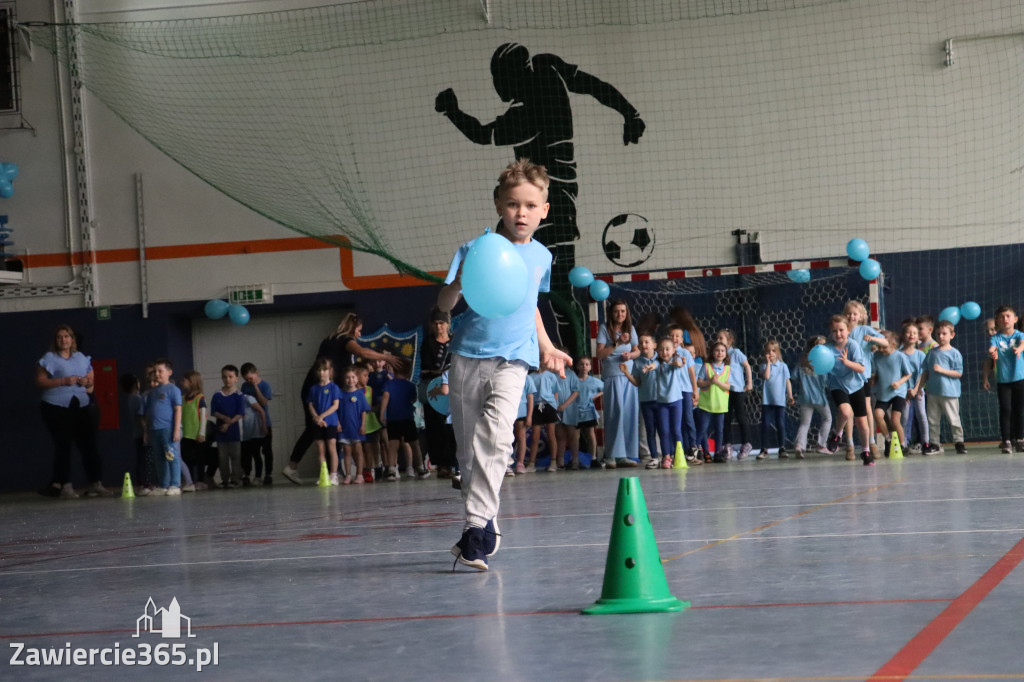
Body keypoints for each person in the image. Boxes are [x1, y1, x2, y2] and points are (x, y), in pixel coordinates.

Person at [436, 43, 645, 358]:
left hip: (556, 199)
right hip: (562, 194)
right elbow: (593, 86)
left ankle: (574, 360)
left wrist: (451, 110)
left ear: (511, 74)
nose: (497, 86)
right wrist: (629, 112)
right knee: (530, 270)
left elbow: (480, 133)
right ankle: (565, 354)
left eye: (498, 77)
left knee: (556, 287)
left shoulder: (526, 112)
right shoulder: (549, 66)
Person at [437, 159, 572, 571]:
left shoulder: (542, 257)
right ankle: (484, 518)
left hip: (515, 359)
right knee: (467, 455)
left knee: (497, 439)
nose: (522, 213)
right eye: (513, 204)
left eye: (531, 205)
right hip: (466, 358)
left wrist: (547, 346)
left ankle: (476, 528)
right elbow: (443, 307)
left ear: (544, 210)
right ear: (499, 204)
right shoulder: (475, 250)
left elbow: (528, 304)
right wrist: (456, 286)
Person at [282, 313, 405, 483]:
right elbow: (362, 352)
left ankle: (333, 471)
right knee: (316, 428)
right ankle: (295, 466)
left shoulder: (329, 339)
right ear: (352, 328)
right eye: (359, 330)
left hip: (318, 388)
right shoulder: (344, 340)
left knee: (327, 427)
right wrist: (386, 357)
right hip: (319, 390)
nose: (359, 335)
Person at [36, 325, 111, 499]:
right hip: (56, 406)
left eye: (67, 336)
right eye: (60, 337)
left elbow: (91, 384)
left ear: (72, 339)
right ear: (56, 340)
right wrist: (63, 381)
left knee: (89, 445)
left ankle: (95, 483)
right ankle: (65, 485)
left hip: (81, 405)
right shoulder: (49, 358)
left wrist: (86, 382)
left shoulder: (81, 358)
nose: (64, 340)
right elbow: (40, 381)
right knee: (63, 445)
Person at [822, 315, 875, 465]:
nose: (838, 334)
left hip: (856, 385)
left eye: (841, 330)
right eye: (834, 331)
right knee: (845, 412)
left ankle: (865, 451)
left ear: (848, 330)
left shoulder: (852, 345)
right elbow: (820, 364)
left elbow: (861, 368)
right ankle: (837, 434)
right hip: (837, 385)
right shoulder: (827, 348)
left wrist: (847, 362)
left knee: (862, 423)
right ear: (830, 332)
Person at [596, 300, 640, 468]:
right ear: (611, 313)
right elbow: (600, 354)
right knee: (616, 414)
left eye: (623, 311)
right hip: (613, 377)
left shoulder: (631, 329)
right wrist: (618, 343)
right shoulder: (604, 329)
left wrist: (631, 356)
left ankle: (625, 455)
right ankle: (611, 456)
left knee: (629, 414)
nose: (620, 314)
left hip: (628, 377)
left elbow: (637, 351)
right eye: (616, 311)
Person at [845, 300, 887, 458]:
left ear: (861, 316)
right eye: (848, 313)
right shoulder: (842, 331)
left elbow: (885, 341)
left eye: (855, 314)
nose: (851, 316)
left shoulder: (865, 330)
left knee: (867, 408)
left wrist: (874, 339)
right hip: (846, 377)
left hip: (863, 376)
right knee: (848, 410)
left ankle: (871, 442)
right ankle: (849, 444)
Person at [636, 337, 687, 468]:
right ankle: (666, 457)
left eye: (667, 349)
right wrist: (650, 367)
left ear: (673, 350)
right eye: (662, 349)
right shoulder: (658, 363)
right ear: (657, 351)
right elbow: (654, 365)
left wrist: (679, 363)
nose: (665, 352)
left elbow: (680, 363)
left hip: (676, 402)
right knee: (664, 430)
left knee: (676, 430)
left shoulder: (676, 360)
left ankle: (679, 455)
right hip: (662, 403)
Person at [420, 308, 457, 478]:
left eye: (442, 323)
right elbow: (426, 368)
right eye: (435, 324)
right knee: (436, 428)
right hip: (434, 391)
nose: (439, 327)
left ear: (448, 324)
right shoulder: (428, 343)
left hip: (454, 390)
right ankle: (443, 464)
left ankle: (457, 462)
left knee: (454, 427)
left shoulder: (456, 341)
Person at [921, 320, 966, 454]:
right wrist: (919, 389)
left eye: (944, 334)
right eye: (938, 334)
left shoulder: (954, 353)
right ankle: (935, 443)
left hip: (949, 392)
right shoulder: (931, 353)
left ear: (952, 335)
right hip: (933, 392)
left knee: (953, 418)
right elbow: (925, 372)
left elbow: (958, 373)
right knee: (933, 419)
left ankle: (959, 442)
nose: (941, 336)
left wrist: (942, 370)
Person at [380, 362, 429, 480]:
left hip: (393, 419)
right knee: (414, 444)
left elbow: (385, 398)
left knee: (393, 445)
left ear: (394, 371)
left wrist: (382, 414)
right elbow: (414, 399)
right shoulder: (410, 385)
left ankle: (391, 470)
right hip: (407, 418)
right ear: (408, 373)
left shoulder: (388, 384)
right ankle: (421, 468)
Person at [987, 305, 1024, 453]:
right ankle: (1006, 440)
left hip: (1019, 379)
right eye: (1002, 317)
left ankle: (1020, 439)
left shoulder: (1020, 335)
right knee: (1006, 409)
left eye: (1008, 316)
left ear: (1015, 319)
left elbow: (1023, 344)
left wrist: (1019, 349)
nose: (1005, 319)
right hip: (1003, 381)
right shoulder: (996, 338)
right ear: (997, 321)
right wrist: (993, 353)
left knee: (1020, 410)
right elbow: (991, 348)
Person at [144, 358, 183, 496]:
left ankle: (175, 485)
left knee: (171, 456)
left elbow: (178, 409)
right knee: (159, 458)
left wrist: (176, 429)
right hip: (155, 430)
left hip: (168, 429)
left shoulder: (173, 390)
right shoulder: (152, 393)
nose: (157, 374)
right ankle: (163, 485)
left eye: (160, 371)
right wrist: (146, 432)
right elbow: (149, 414)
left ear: (169, 372)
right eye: (155, 371)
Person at [872, 330, 913, 458]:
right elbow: (875, 373)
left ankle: (903, 444)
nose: (881, 349)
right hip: (883, 393)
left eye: (883, 346)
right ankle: (888, 439)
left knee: (895, 420)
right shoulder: (876, 356)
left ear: (893, 344)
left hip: (898, 393)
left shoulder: (900, 357)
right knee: (878, 414)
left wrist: (899, 383)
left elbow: (908, 373)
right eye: (879, 346)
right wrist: (873, 380)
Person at [792, 337, 832, 460]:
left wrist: (802, 366)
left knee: (804, 423)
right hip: (819, 398)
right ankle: (821, 444)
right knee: (827, 418)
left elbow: (793, 376)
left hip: (805, 398)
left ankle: (799, 445)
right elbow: (827, 382)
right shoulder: (823, 365)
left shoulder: (802, 363)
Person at [624, 332, 660, 468]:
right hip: (646, 401)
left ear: (654, 345)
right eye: (641, 342)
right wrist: (627, 373)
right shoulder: (637, 362)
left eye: (647, 342)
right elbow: (637, 382)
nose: (644, 345)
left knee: (663, 429)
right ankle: (654, 457)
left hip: (662, 401)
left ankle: (668, 455)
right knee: (650, 430)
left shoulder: (661, 359)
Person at [717, 328, 753, 460]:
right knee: (726, 418)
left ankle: (746, 443)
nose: (718, 341)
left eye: (721, 338)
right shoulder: (721, 354)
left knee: (740, 416)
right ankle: (727, 445)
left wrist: (749, 382)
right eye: (717, 338)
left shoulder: (736, 353)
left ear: (730, 341)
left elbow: (747, 366)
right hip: (724, 390)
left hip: (737, 390)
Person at [306, 357, 342, 485]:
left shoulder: (334, 387)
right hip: (317, 423)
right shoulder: (313, 389)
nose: (322, 373)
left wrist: (322, 417)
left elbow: (335, 405)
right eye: (319, 370)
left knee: (332, 448)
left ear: (330, 371)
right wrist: (317, 418)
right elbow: (310, 404)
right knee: (320, 449)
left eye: (325, 370)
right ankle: (324, 474)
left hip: (331, 422)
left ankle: (334, 475)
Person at [210, 364, 246, 487]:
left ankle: (235, 479)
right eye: (225, 377)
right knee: (222, 458)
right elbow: (214, 411)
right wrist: (224, 419)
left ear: (236, 378)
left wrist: (228, 423)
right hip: (221, 432)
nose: (228, 379)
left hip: (235, 432)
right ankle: (224, 479)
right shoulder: (217, 395)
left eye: (231, 377)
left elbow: (240, 413)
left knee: (236, 457)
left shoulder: (239, 395)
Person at [757, 339, 794, 460]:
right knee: (766, 425)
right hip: (767, 401)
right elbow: (766, 376)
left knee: (780, 424)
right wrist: (768, 363)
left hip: (779, 401)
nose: (771, 353)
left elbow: (787, 381)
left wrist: (790, 395)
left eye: (773, 351)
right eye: (768, 351)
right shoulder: (763, 366)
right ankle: (764, 449)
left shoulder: (783, 366)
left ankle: (782, 448)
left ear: (778, 352)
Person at [667, 324, 699, 460]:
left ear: (681, 339)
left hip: (685, 390)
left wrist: (695, 390)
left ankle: (693, 447)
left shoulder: (685, 353)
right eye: (672, 335)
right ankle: (676, 451)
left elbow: (691, 372)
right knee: (674, 422)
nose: (674, 338)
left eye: (677, 336)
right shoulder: (665, 352)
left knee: (688, 419)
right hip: (672, 392)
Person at [696, 340, 731, 463]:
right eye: (717, 350)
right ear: (712, 352)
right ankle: (693, 451)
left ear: (726, 353)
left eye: (722, 351)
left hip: (720, 405)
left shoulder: (727, 369)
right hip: (707, 404)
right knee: (702, 428)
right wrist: (710, 381)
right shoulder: (706, 367)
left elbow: (728, 386)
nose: (719, 353)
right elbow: (699, 382)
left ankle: (717, 453)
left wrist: (717, 382)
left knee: (719, 429)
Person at [565, 357, 602, 470]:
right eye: (581, 364)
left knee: (591, 434)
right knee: (575, 436)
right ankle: (575, 460)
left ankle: (593, 458)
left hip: (589, 412)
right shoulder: (573, 380)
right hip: (575, 412)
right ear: (577, 366)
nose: (584, 366)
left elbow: (604, 388)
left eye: (587, 364)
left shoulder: (594, 381)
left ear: (590, 367)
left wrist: (596, 396)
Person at [336, 366, 371, 485]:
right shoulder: (340, 394)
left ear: (357, 379)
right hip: (344, 429)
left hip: (356, 428)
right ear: (343, 379)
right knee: (346, 452)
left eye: (353, 377)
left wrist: (363, 426)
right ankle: (348, 475)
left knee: (358, 451)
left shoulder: (360, 394)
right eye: (347, 377)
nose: (350, 380)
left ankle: (360, 475)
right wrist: (338, 423)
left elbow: (363, 411)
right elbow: (336, 411)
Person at [240, 362, 273, 485]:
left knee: (267, 450)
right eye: (246, 379)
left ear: (256, 374)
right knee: (253, 451)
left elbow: (264, 402)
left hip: (265, 422)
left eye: (251, 378)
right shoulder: (244, 386)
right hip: (251, 424)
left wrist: (255, 387)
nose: (249, 381)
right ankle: (252, 475)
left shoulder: (265, 385)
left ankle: (268, 474)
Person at [899, 323, 929, 454]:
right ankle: (903, 444)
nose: (911, 335)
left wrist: (916, 389)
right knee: (904, 417)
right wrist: (905, 390)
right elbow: (898, 374)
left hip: (918, 391)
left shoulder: (921, 355)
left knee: (922, 415)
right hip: (903, 392)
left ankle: (926, 443)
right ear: (903, 335)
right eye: (908, 332)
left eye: (914, 333)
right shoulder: (898, 354)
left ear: (918, 338)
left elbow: (923, 374)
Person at [528, 367, 562, 472]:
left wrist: (553, 405)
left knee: (551, 434)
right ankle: (531, 463)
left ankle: (553, 462)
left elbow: (555, 392)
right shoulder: (530, 377)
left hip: (549, 405)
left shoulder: (551, 375)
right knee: (535, 436)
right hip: (536, 406)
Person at [179, 370, 209, 490]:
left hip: (196, 435)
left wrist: (201, 433)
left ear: (191, 382)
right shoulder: (182, 398)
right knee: (187, 459)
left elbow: (203, 416)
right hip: (185, 435)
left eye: (184, 380)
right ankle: (190, 481)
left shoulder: (200, 398)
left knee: (199, 459)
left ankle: (200, 481)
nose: (182, 382)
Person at [239, 390, 268, 487]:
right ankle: (246, 475)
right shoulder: (235, 401)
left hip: (255, 433)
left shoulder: (248, 398)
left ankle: (258, 477)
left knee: (256, 454)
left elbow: (261, 411)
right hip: (244, 434)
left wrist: (263, 425)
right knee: (245, 456)